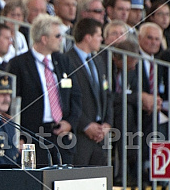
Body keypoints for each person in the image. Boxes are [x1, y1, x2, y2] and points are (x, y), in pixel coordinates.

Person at [6, 14, 81, 166]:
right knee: (35, 181)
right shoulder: (19, 64)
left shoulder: (63, 61)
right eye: (58, 35)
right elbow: (11, 103)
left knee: (64, 178)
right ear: (44, 39)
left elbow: (76, 95)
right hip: (31, 135)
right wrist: (17, 135)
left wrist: (70, 122)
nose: (62, 39)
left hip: (61, 134)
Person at [64, 18, 112, 166]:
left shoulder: (98, 60)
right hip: (80, 135)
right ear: (88, 37)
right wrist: (85, 125)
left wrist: (107, 124)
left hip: (100, 136)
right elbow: (67, 98)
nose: (101, 39)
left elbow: (107, 94)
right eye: (98, 35)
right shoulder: (67, 60)